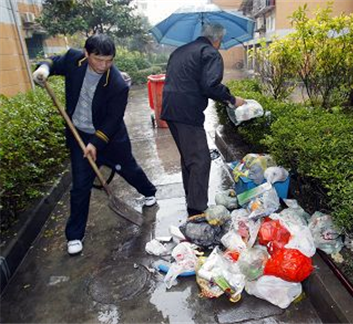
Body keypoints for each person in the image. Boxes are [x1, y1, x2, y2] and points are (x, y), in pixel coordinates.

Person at [32, 34, 157, 255]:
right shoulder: (74, 60)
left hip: (110, 139)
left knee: (129, 169)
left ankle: (149, 191)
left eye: (109, 60)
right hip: (79, 135)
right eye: (99, 60)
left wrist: (96, 143)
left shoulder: (117, 83)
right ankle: (74, 236)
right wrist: (44, 69)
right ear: (86, 53)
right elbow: (53, 60)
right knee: (80, 186)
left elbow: (113, 119)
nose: (104, 65)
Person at [161, 22, 245, 217]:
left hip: (170, 109)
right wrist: (232, 99)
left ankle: (192, 199)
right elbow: (210, 85)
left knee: (189, 158)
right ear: (217, 39)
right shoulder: (210, 53)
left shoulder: (181, 51)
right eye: (221, 40)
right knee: (200, 159)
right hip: (187, 112)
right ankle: (197, 210)